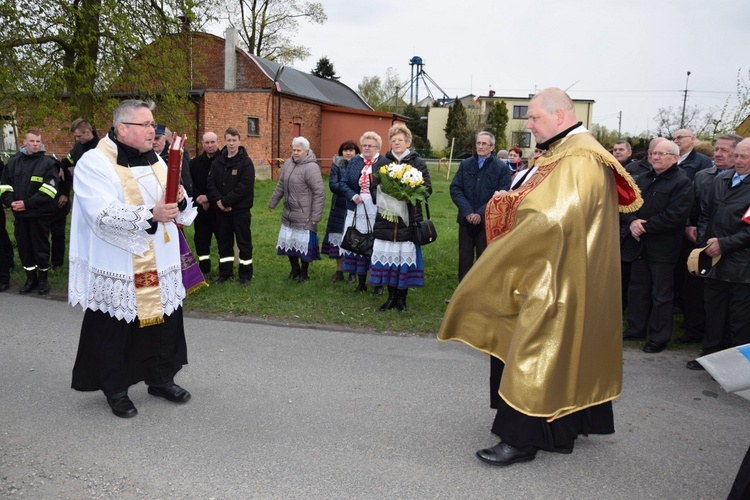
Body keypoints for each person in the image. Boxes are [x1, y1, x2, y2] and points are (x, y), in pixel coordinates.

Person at [438, 88, 642, 466]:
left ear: (560, 116)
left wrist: (506, 209)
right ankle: (562, 426)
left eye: (533, 118)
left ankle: (520, 440)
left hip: (556, 275)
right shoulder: (565, 152)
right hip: (562, 268)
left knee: (535, 349)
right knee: (563, 350)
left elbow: (551, 218)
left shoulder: (580, 158)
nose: (528, 125)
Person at [69, 99, 197, 418]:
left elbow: (169, 201)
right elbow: (101, 212)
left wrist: (178, 200)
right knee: (116, 327)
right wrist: (150, 214)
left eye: (153, 124)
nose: (153, 131)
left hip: (160, 260)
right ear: (123, 128)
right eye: (146, 125)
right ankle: (115, 388)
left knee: (163, 323)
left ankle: (160, 378)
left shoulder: (155, 159)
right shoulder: (94, 162)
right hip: (120, 262)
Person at [622, 140, 694, 353]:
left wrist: (645, 227)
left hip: (664, 248)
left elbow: (676, 216)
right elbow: (628, 204)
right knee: (637, 289)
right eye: (654, 153)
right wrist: (633, 221)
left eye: (662, 154)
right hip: (638, 245)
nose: (656, 157)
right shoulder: (643, 178)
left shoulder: (682, 182)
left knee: (661, 295)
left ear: (675, 157)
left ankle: (659, 336)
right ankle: (636, 328)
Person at [685, 137, 750, 371]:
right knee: (713, 312)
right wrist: (705, 243)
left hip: (742, 267)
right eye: (738, 155)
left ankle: (736, 367)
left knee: (739, 319)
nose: (738, 160)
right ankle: (710, 359)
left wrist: (724, 244)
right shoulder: (721, 179)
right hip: (714, 260)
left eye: (744, 156)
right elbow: (705, 214)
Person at [678, 134, 742, 344]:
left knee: (733, 310)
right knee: (703, 298)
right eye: (717, 150)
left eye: (725, 151)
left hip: (736, 255)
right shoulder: (710, 177)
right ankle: (702, 341)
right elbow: (699, 209)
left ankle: (727, 353)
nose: (718, 154)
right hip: (705, 246)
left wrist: (722, 243)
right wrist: (698, 235)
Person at [369, 124, 432, 312]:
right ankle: (390, 297)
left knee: (402, 260)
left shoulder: (417, 162)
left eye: (400, 140)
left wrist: (408, 195)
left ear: (408, 142)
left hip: (408, 220)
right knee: (389, 261)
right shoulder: (381, 163)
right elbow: (374, 187)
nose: (397, 143)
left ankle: (402, 298)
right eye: (393, 140)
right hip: (386, 219)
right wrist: (383, 199)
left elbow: (427, 187)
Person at [0, 130, 59, 295]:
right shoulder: (13, 162)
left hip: (39, 215)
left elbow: (49, 191)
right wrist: (10, 202)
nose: (35, 144)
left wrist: (27, 204)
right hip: (20, 216)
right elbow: (4, 186)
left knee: (40, 249)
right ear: (24, 142)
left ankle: (42, 281)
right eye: (32, 141)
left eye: (38, 141)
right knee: (25, 249)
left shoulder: (48, 163)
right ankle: (30, 279)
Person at [450, 131, 511, 282]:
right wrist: (468, 212)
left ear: (492, 147)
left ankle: (481, 296)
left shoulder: (501, 168)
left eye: (484, 144)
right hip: (466, 220)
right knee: (464, 258)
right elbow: (455, 189)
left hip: (487, 222)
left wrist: (480, 213)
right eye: (478, 143)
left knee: (485, 259)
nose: (480, 146)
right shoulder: (466, 164)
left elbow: (502, 195)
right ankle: (462, 296)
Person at [337, 132, 389, 293]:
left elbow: (388, 187)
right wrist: (352, 195)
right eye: (364, 145)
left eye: (370, 145)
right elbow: (343, 183)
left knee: (375, 243)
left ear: (378, 147)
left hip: (377, 207)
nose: (366, 148)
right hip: (357, 206)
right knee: (357, 241)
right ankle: (360, 282)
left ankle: (378, 284)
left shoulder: (384, 162)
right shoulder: (354, 161)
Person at [268, 137, 325, 283]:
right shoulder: (288, 163)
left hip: (304, 213)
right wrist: (273, 202)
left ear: (306, 151)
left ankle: (304, 272)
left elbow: (319, 192)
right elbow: (281, 185)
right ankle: (295, 269)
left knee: (303, 245)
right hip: (288, 212)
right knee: (289, 242)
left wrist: (316, 216)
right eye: (293, 149)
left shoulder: (311, 167)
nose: (295, 153)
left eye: (298, 150)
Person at [206, 127, 255, 285]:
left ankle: (245, 275)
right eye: (229, 140)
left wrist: (226, 202)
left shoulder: (246, 162)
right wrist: (219, 201)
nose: (231, 143)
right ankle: (225, 273)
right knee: (224, 244)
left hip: (240, 211)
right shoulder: (218, 161)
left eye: (234, 140)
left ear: (239, 141)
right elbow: (211, 183)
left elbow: (244, 186)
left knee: (244, 243)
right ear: (225, 141)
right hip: (221, 211)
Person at [53, 119, 100, 270]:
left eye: (79, 136)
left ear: (88, 132)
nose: (77, 139)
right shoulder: (78, 147)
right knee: (82, 229)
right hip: (81, 194)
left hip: (97, 194)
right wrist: (61, 167)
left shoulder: (101, 147)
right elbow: (68, 160)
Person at [322, 140, 360, 282]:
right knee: (338, 239)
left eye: (351, 150)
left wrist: (345, 188)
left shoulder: (361, 166)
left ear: (356, 152)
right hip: (338, 207)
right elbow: (333, 185)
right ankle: (339, 271)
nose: (348, 153)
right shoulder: (336, 165)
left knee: (353, 239)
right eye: (345, 150)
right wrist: (350, 191)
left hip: (355, 207)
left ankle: (352, 271)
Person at [189, 131, 220, 274]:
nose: (210, 145)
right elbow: (191, 184)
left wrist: (208, 197)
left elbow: (224, 185)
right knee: (201, 241)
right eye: (207, 142)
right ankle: (204, 268)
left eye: (212, 142)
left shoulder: (224, 162)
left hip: (219, 209)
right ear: (202, 144)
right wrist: (199, 199)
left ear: (218, 143)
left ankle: (225, 271)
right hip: (200, 210)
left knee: (223, 241)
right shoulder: (194, 163)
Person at [153, 124, 193, 198]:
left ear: (165, 139)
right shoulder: (146, 155)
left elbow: (185, 179)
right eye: (151, 139)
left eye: (157, 138)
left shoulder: (175, 155)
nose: (154, 142)